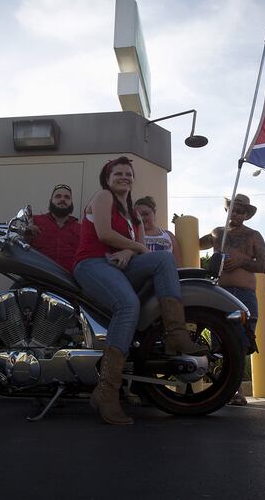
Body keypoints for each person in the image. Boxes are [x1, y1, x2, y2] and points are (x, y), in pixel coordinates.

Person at [73, 156, 207, 425]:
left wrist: (127, 249)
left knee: (164, 259)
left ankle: (175, 334)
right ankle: (107, 392)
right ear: (108, 179)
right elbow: (103, 233)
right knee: (128, 305)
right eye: (118, 173)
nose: (124, 177)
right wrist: (130, 248)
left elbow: (142, 248)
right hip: (92, 263)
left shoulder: (134, 212)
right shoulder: (103, 197)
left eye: (128, 174)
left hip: (120, 265)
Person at [199, 193, 265, 405]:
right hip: (219, 294)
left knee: (240, 343)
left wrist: (241, 260)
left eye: (240, 211)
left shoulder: (254, 235)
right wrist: (180, 224)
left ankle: (236, 391)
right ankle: (224, 389)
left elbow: (263, 266)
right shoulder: (217, 233)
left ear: (246, 214)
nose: (235, 213)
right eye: (232, 209)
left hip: (244, 295)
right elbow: (193, 243)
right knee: (220, 344)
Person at [26, 184, 80, 273]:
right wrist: (26, 234)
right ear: (51, 201)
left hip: (68, 283)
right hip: (35, 279)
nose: (62, 199)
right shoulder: (34, 221)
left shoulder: (81, 229)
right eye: (58, 196)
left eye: (67, 197)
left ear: (71, 203)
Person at [134, 196, 182, 266]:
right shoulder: (132, 235)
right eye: (138, 215)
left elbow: (178, 264)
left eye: (146, 214)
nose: (142, 218)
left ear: (154, 212)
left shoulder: (169, 236)